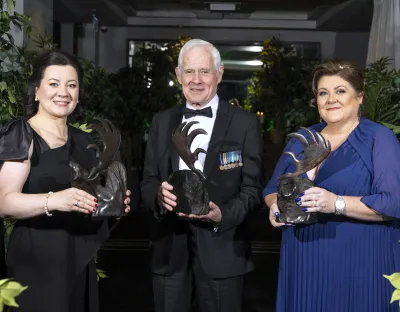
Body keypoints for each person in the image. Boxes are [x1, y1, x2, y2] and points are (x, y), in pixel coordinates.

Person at [0, 50, 131, 312]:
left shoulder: (83, 142)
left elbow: (90, 199)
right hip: (36, 259)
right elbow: (4, 202)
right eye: (54, 84)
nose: (64, 92)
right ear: (36, 90)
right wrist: (57, 200)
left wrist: (112, 203)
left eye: (71, 85)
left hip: (77, 258)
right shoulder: (22, 134)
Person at [264, 60, 400, 312]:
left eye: (340, 91)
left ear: (359, 97)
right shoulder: (302, 139)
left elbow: (392, 203)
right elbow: (272, 188)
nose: (330, 99)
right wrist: (274, 206)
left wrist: (335, 203)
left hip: (359, 263)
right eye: (323, 93)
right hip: (303, 259)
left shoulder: (378, 138)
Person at [141, 39, 263, 312]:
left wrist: (223, 215)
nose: (196, 80)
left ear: (219, 74)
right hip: (169, 251)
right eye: (189, 71)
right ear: (178, 74)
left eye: (204, 71)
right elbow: (147, 181)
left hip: (223, 250)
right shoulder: (161, 122)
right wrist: (159, 197)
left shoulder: (245, 123)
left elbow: (253, 189)